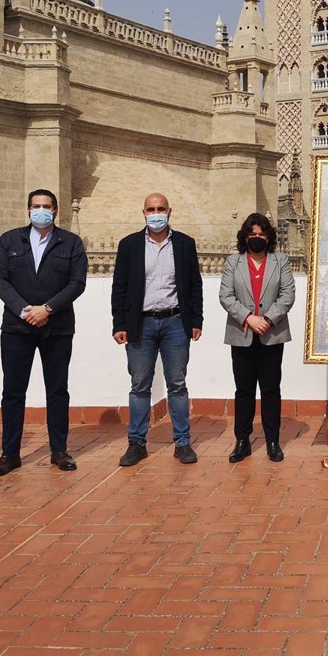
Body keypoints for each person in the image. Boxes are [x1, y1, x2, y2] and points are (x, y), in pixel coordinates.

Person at [0, 189, 88, 477]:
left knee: (57, 390)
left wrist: (47, 309)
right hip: (16, 328)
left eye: (46, 206)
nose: (40, 211)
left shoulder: (70, 243)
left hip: (57, 327)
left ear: (56, 211)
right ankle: (10, 454)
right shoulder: (10, 240)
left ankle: (59, 450)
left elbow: (76, 283)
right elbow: (0, 280)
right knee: (13, 392)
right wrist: (25, 310)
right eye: (36, 206)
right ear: (27, 209)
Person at [111, 193, 204, 467]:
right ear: (143, 212)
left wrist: (196, 320)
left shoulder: (185, 244)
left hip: (175, 322)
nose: (156, 213)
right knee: (140, 385)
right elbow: (120, 287)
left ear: (169, 211)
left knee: (177, 384)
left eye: (160, 208)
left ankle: (183, 442)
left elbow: (194, 285)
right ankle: (137, 443)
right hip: (140, 324)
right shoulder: (129, 245)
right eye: (151, 209)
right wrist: (119, 324)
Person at [220, 212, 296, 463]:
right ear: (244, 237)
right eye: (252, 234)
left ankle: (273, 441)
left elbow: (287, 294)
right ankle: (242, 441)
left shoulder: (280, 261)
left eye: (261, 234)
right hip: (241, 332)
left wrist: (266, 319)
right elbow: (226, 296)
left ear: (269, 237)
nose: (257, 238)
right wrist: (248, 318)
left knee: (271, 389)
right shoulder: (233, 262)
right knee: (243, 390)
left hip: (271, 334)